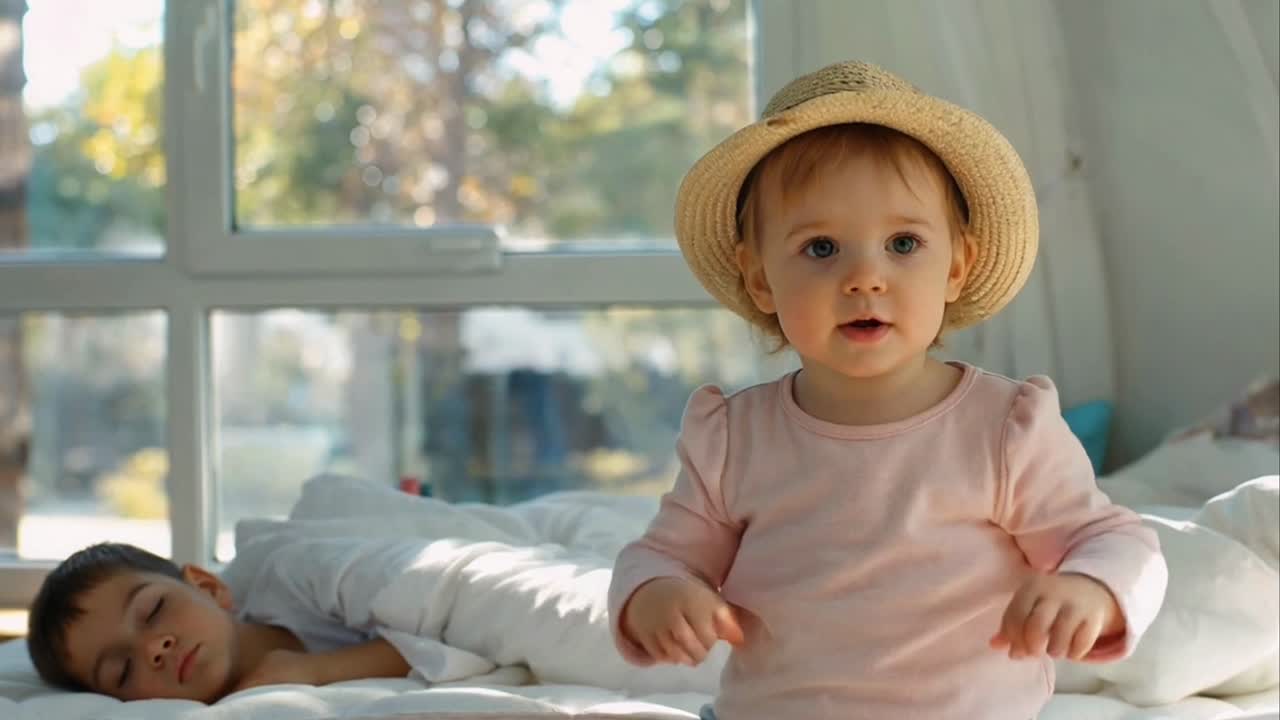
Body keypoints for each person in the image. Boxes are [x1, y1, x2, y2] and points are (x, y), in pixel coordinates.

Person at [607, 60, 1169, 720]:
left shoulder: (1005, 428)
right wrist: (659, 594)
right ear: (760, 280)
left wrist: (1090, 586)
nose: (865, 277)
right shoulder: (734, 438)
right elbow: (660, 555)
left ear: (957, 266)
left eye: (903, 243)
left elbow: (1120, 542)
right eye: (821, 249)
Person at [25, 542, 410, 702]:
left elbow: (440, 641)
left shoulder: (309, 591)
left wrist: (314, 669)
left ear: (208, 587)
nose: (153, 648)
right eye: (123, 669)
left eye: (154, 610)